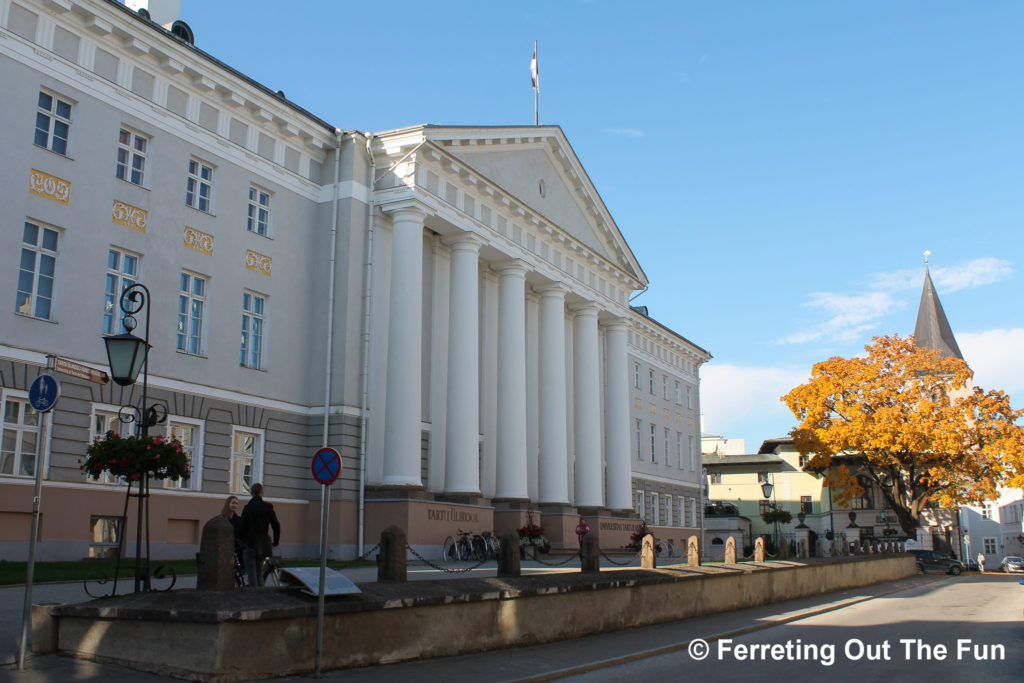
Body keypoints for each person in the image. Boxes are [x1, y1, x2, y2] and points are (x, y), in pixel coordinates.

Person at [240, 483, 281, 586]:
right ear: (262, 492)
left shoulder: (247, 508)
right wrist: (275, 541)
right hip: (263, 543)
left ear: (251, 493)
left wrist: (241, 541)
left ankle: (253, 595)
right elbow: (276, 525)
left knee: (251, 573)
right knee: (259, 573)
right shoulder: (268, 507)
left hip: (250, 543)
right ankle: (261, 594)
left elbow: (242, 527)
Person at [220, 495, 245, 580]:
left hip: (237, 548)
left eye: (237, 504)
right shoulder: (223, 519)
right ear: (228, 504)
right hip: (226, 548)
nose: (235, 505)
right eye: (233, 503)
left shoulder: (238, 519)